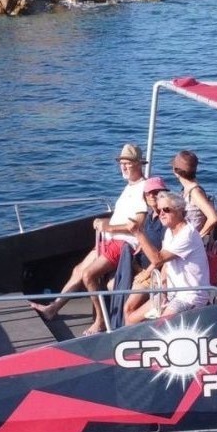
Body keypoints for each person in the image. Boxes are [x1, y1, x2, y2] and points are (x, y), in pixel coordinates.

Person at [33, 142, 149, 333]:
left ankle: (101, 321)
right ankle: (53, 308)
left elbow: (137, 225)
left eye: (128, 163)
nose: (123, 167)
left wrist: (108, 226)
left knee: (89, 275)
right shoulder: (129, 187)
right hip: (110, 239)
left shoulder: (143, 188)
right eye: (121, 163)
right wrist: (106, 224)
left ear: (138, 164)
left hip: (124, 243)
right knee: (79, 270)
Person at [125, 191, 212, 324]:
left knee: (160, 326)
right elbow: (166, 265)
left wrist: (138, 232)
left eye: (166, 209)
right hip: (172, 292)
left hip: (189, 296)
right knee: (131, 318)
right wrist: (163, 292)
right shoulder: (170, 232)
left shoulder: (187, 235)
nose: (161, 214)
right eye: (159, 210)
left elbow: (157, 259)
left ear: (179, 211)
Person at [170, 150, 217, 239]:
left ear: (175, 171)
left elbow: (213, 218)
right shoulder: (187, 189)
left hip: (189, 241)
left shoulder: (195, 192)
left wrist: (197, 238)